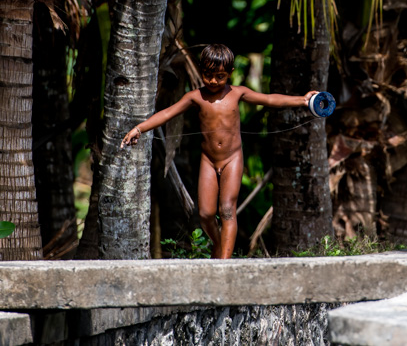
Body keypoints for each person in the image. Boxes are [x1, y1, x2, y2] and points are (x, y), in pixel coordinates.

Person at [120, 43, 317, 259]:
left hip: (232, 159)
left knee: (226, 210)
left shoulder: (238, 93)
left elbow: (269, 99)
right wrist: (140, 128)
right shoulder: (195, 97)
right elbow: (167, 113)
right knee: (205, 214)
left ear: (230, 73)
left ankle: (224, 263)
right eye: (208, 75)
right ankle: (218, 243)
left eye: (220, 76)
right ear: (201, 70)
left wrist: (303, 100)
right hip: (208, 160)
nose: (213, 81)